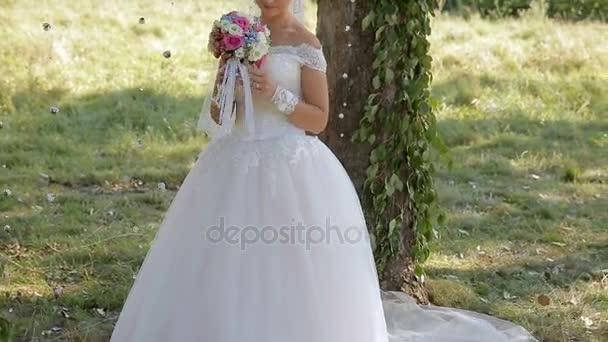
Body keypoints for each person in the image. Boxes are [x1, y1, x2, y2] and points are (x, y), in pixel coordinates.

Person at [110, 1, 537, 341]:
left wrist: (275, 94)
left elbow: (318, 119)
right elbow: (221, 115)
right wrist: (230, 80)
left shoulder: (305, 44)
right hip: (235, 162)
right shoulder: (238, 39)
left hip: (290, 166)